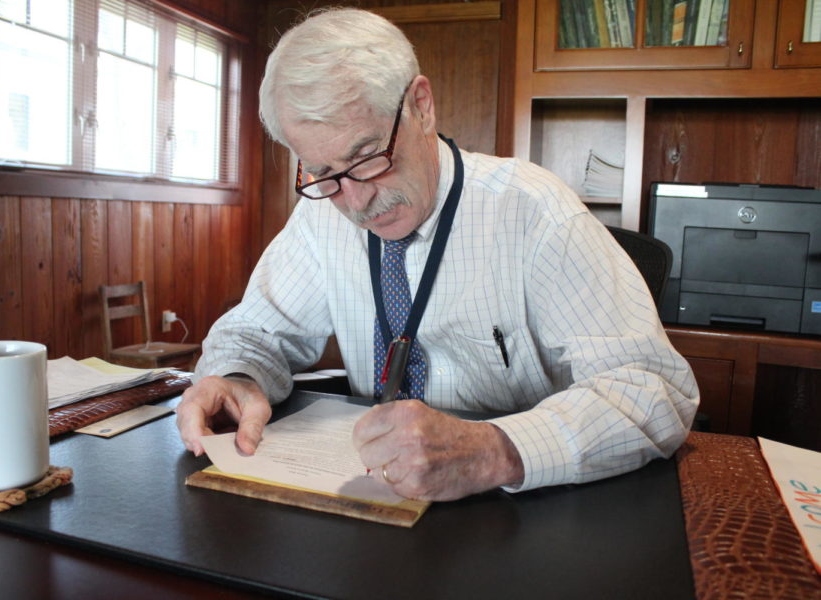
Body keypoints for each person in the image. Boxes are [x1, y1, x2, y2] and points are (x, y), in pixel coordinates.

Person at [176, 7, 699, 501]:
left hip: (519, 514)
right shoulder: (322, 214)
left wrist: (495, 451)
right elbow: (255, 332)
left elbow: (654, 391)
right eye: (323, 173)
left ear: (421, 107)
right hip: (376, 503)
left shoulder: (533, 212)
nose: (356, 202)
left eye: (368, 158)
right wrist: (238, 378)